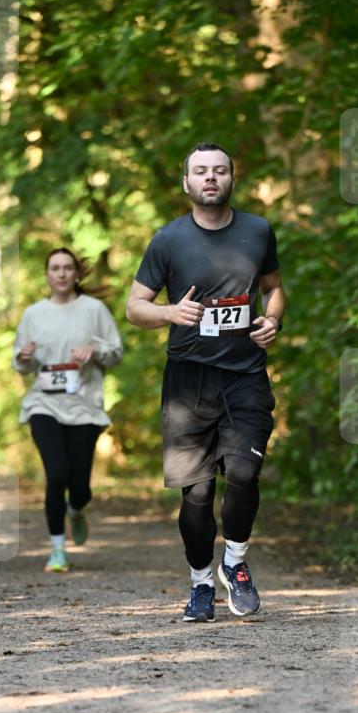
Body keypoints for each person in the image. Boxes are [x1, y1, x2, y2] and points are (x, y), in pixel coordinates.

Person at [126, 142, 285, 622]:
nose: (210, 178)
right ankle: (199, 583)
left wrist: (272, 320)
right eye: (201, 171)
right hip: (188, 384)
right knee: (196, 499)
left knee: (243, 473)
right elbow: (135, 306)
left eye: (219, 171)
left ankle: (234, 563)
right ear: (187, 183)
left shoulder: (257, 231)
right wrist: (171, 312)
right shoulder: (168, 240)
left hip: (245, 375)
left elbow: (273, 289)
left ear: (232, 178)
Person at [13, 248, 123, 572]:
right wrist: (24, 356)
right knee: (56, 473)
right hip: (43, 403)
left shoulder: (94, 310)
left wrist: (95, 349)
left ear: (77, 273)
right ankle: (57, 550)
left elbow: (116, 353)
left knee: (79, 487)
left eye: (67, 268)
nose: (61, 274)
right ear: (47, 275)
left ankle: (76, 509)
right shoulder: (34, 313)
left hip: (84, 404)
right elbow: (20, 363)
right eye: (54, 268)